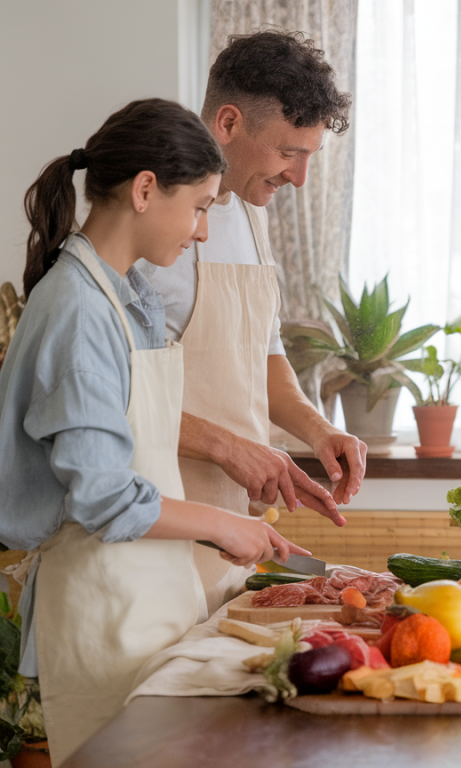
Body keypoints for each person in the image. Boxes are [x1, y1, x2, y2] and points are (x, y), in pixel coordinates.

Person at [0, 99, 312, 766]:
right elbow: (104, 497)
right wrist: (221, 524)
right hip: (102, 605)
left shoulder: (124, 294)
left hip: (145, 597)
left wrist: (234, 481)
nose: (203, 231)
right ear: (145, 190)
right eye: (200, 206)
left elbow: (134, 427)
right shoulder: (78, 308)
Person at [137, 31, 367, 616]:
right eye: (290, 152)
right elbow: (112, 395)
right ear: (229, 123)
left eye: (310, 157)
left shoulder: (248, 208)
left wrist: (318, 432)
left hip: (230, 534)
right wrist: (228, 447)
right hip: (152, 528)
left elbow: (261, 356)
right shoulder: (151, 219)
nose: (300, 178)